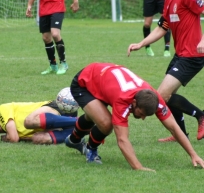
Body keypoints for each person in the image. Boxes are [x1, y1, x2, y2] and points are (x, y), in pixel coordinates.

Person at [65, 62, 204, 170]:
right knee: (106, 123)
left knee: (94, 115)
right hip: (84, 82)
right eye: (141, 114)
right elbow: (122, 140)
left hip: (103, 79)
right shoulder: (122, 100)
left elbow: (174, 127)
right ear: (134, 102)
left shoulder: (154, 98)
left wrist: (194, 154)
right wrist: (138, 167)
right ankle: (91, 150)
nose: (142, 118)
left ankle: (73, 140)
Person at [127, 0, 204, 142]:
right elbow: (162, 28)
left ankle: (201, 116)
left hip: (193, 56)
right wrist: (142, 43)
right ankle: (180, 134)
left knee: (160, 96)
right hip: (180, 55)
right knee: (168, 97)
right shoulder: (169, 0)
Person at [0, 100, 78, 144]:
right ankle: (85, 128)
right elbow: (14, 137)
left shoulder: (1, 110)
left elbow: (14, 138)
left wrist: (9, 138)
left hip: (54, 109)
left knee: (28, 122)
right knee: (37, 139)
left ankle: (80, 121)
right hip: (58, 126)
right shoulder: (11, 133)